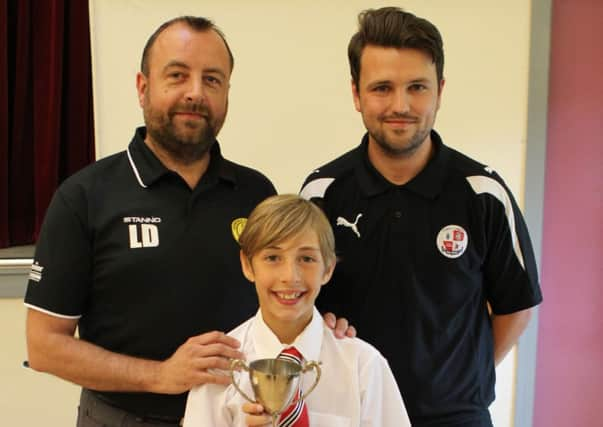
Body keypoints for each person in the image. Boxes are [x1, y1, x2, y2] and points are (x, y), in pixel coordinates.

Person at [24, 16, 350, 426]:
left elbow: (282, 292)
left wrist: (321, 327)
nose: (195, 93)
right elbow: (44, 346)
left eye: (212, 80)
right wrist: (160, 375)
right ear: (143, 87)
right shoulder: (84, 197)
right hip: (125, 418)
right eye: (177, 75)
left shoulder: (256, 193)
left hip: (238, 416)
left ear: (227, 93)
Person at [300, 7, 543, 427]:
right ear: (356, 94)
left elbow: (516, 307)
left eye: (417, 87)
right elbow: (295, 301)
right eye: (382, 88)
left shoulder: (483, 194)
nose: (401, 105)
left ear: (440, 91)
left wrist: (463, 375)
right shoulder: (322, 194)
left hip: (456, 417)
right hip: (350, 415)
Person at [182, 194, 411, 426]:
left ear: (328, 268)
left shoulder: (363, 366)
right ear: (247, 265)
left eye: (306, 259)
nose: (290, 276)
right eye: (272, 257)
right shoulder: (219, 368)